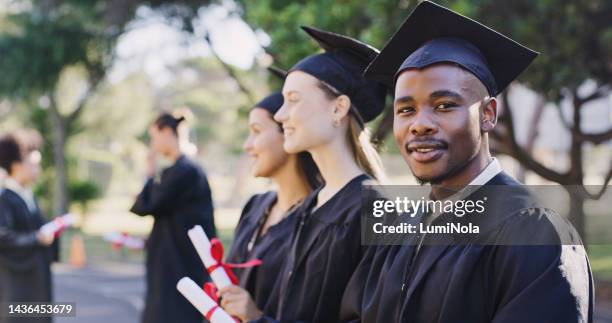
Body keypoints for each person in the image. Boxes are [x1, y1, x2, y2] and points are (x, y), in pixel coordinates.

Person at [340, 2, 593, 322]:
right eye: (406, 110)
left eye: (444, 105)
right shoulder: (398, 227)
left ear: (487, 115)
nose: (420, 124)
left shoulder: (535, 234)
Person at [219, 26, 387, 322]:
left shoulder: (374, 208)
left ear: (339, 108)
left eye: (293, 99)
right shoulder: (311, 205)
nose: (281, 114)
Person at [225, 72, 323, 318]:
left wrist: (255, 316)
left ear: (288, 133)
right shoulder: (256, 206)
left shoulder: (319, 219)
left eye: (256, 131)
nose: (248, 145)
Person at [130, 113, 217, 323]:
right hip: (174, 260)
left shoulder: (184, 172)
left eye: (154, 136)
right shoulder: (181, 171)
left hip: (179, 264)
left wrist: (150, 172)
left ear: (167, 133)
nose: (153, 144)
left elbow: (146, 205)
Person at [0, 131, 55, 323]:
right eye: (33, 163)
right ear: (16, 165)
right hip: (16, 287)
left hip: (36, 281)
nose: (37, 169)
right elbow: (3, 238)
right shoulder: (4, 199)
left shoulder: (28, 195)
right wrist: (37, 238)